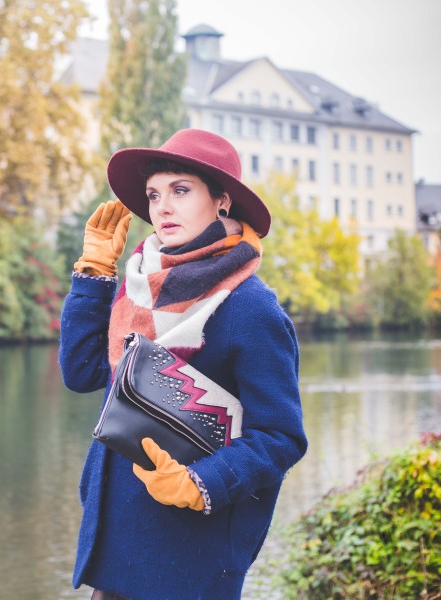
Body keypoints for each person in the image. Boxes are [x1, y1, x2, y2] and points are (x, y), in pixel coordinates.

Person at [58, 129, 308, 599]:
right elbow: (82, 372)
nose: (162, 207)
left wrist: (199, 483)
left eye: (180, 190)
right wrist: (93, 276)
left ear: (222, 201)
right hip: (117, 547)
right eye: (154, 194)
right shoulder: (139, 289)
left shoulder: (251, 308)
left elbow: (280, 438)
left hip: (191, 560)